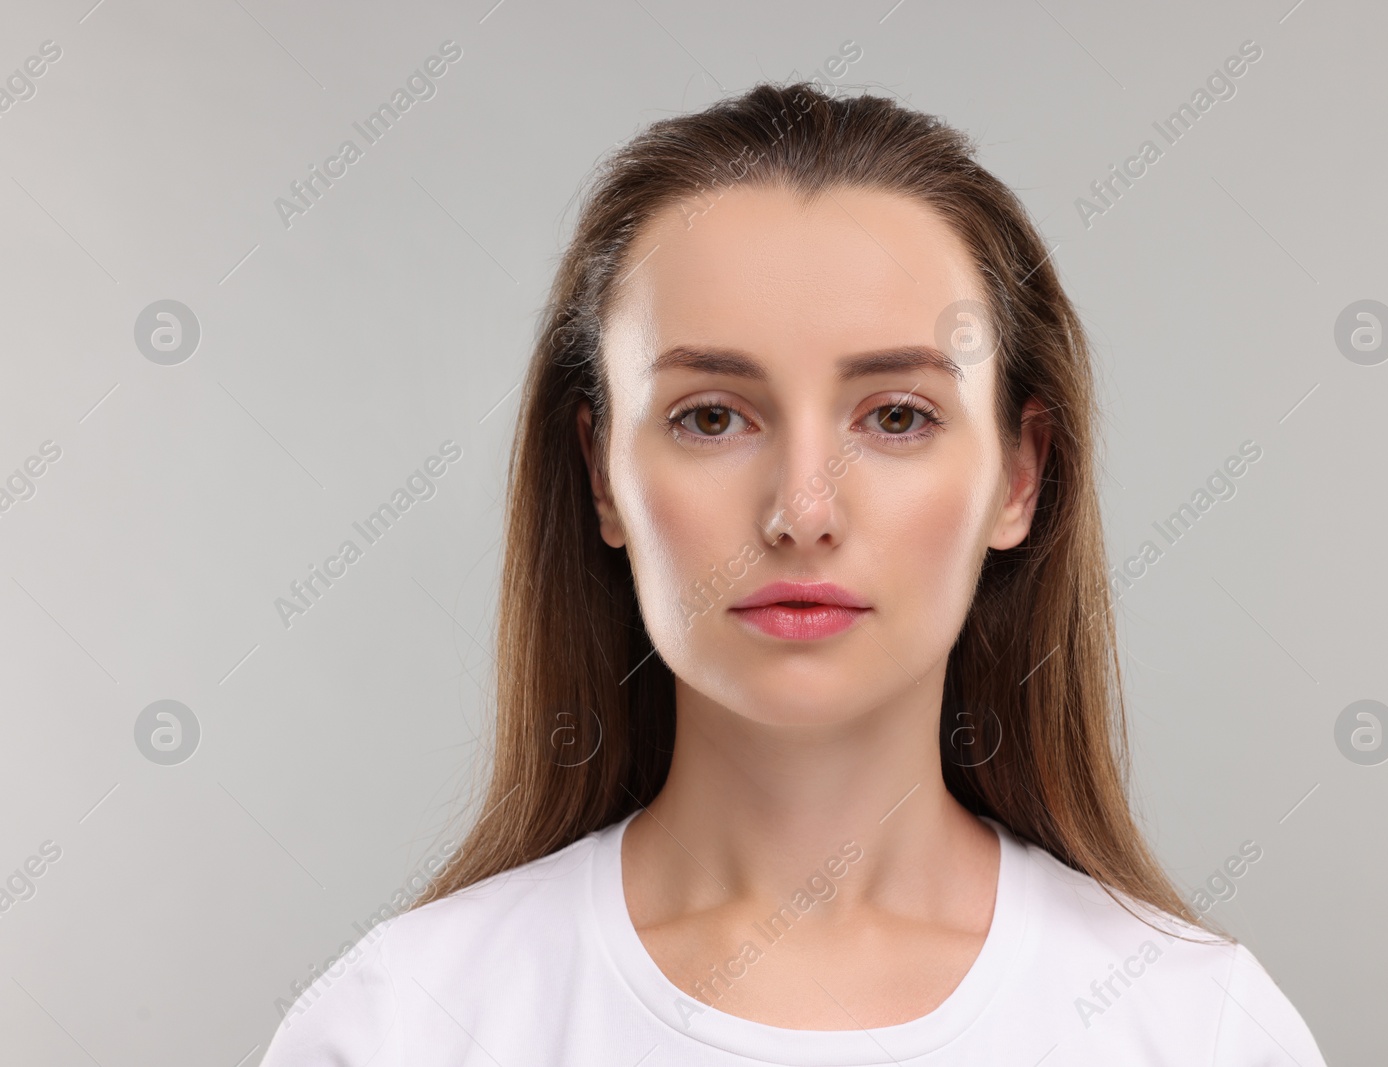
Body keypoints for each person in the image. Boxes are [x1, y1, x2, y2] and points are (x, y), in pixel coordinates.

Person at [259, 81, 1328, 1065]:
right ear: (600, 472)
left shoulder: (1198, 1028)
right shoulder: (401, 1023)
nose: (801, 511)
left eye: (898, 415)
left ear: (1018, 473)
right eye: (711, 416)